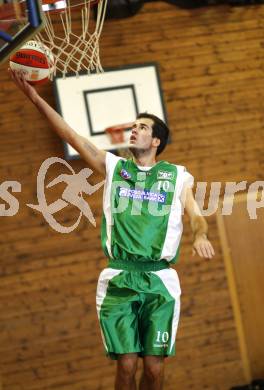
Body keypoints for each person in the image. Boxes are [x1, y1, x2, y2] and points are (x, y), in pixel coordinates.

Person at [10, 70, 215, 390]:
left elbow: (196, 216)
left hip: (160, 280)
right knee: (127, 365)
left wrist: (200, 234)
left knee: (154, 370)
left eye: (142, 127)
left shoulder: (177, 176)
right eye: (133, 127)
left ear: (156, 140)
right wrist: (36, 99)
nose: (134, 131)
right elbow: (72, 135)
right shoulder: (114, 167)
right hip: (119, 277)